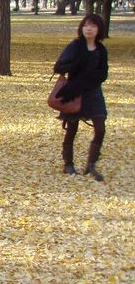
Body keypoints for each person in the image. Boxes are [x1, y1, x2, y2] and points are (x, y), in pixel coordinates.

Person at [53, 13, 108, 181]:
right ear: (82, 28)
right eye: (86, 25)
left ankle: (91, 165)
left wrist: (89, 77)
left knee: (100, 129)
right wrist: (76, 65)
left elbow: (103, 73)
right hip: (74, 92)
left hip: (93, 93)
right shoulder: (75, 46)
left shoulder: (101, 50)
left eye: (92, 26)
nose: (89, 29)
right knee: (72, 129)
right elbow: (59, 66)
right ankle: (68, 164)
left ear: (99, 29)